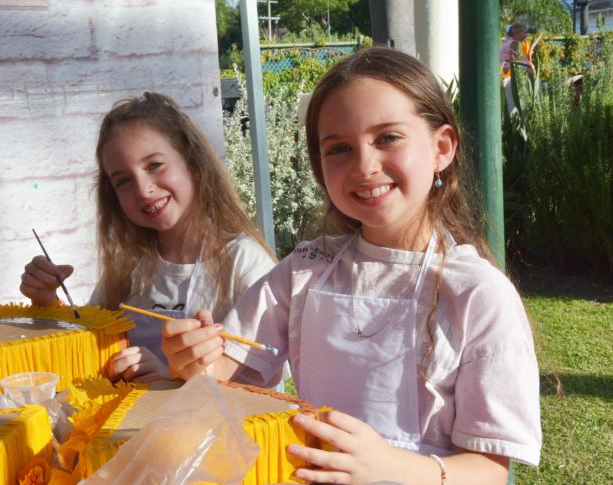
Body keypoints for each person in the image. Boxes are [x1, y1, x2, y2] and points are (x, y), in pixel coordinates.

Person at [162, 48, 541, 484]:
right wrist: (192, 358)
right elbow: (223, 373)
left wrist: (388, 467)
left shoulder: (477, 294)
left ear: (441, 148)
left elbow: (488, 472)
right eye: (339, 148)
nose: (364, 166)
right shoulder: (304, 270)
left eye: (387, 138)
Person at [19, 92, 277, 383]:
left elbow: (270, 383)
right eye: (124, 181)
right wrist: (48, 301)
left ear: (192, 163)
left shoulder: (242, 261)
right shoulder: (129, 266)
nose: (143, 190)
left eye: (154, 165)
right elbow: (89, 340)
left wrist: (170, 379)